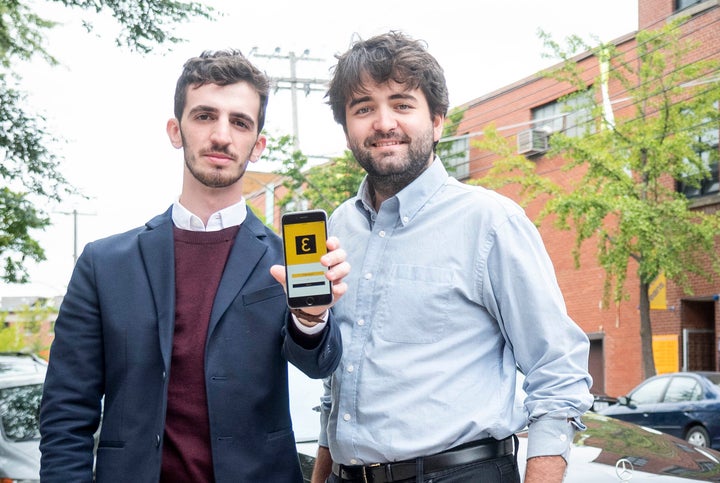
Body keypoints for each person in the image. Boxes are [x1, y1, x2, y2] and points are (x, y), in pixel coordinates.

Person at [39, 49, 349, 483]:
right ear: (175, 130)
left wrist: (312, 319)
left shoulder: (290, 260)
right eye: (205, 116)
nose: (221, 136)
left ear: (257, 144)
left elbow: (321, 365)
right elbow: (65, 412)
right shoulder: (103, 265)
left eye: (239, 122)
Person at [311, 31, 593, 483]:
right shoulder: (339, 230)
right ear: (347, 130)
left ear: (437, 121)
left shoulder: (491, 222)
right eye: (363, 108)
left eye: (402, 104)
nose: (384, 123)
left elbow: (557, 370)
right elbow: (336, 387)